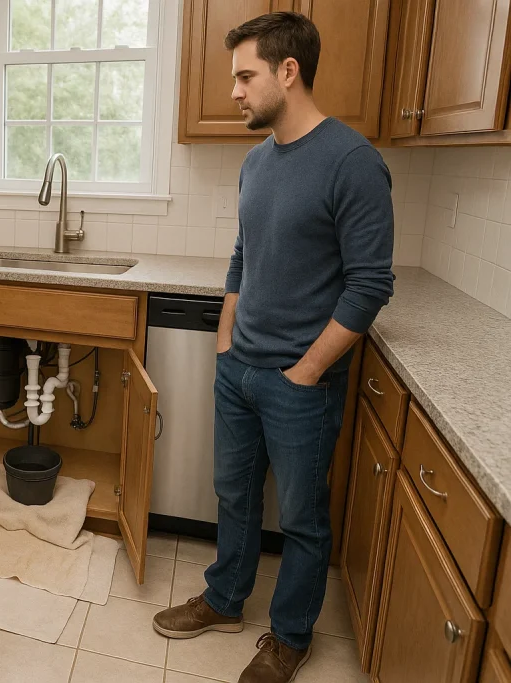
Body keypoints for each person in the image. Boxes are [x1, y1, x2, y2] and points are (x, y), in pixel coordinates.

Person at [152, 12, 394, 683]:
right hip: (241, 369)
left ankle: (288, 635)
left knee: (303, 519)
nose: (234, 90)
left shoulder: (353, 162)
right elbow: (242, 256)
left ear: (289, 72)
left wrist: (309, 369)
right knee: (232, 493)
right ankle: (226, 598)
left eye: (245, 75)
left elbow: (371, 284)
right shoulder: (256, 162)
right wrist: (227, 339)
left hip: (300, 382)